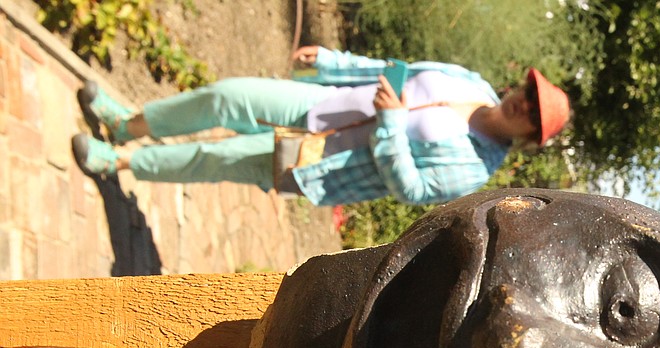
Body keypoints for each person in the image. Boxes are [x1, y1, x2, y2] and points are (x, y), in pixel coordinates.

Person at [71, 46, 570, 206]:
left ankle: (118, 160)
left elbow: (411, 190)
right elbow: (390, 68)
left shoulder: (476, 169)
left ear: (528, 139)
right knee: (227, 96)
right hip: (321, 103)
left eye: (534, 116)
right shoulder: (472, 82)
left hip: (322, 164)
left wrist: (392, 124)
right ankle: (127, 124)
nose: (524, 105)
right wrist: (332, 61)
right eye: (530, 95)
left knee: (216, 158)